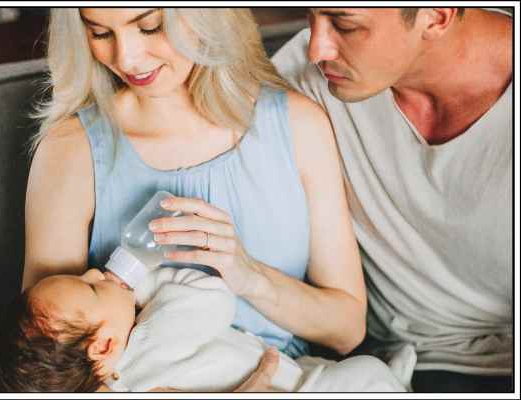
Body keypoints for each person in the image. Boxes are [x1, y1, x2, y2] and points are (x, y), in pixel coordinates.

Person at [23, 6, 367, 365]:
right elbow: (44, 357)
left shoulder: (299, 126)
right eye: (100, 33)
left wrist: (250, 278)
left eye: (150, 26)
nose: (127, 57)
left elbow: (347, 330)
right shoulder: (70, 149)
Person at [271, 7, 512, 392]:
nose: (317, 47)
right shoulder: (304, 79)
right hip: (363, 364)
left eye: (344, 25)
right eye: (311, 15)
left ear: (435, 16)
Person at [0, 267, 412, 392]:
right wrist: (147, 283)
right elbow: (212, 299)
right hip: (301, 387)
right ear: (105, 345)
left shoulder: (125, 384)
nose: (98, 270)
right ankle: (394, 382)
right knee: (361, 377)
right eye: (92, 287)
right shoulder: (150, 339)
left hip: (288, 372)